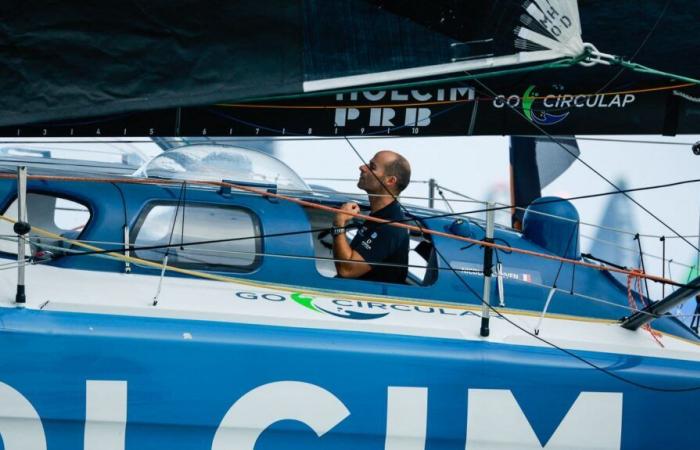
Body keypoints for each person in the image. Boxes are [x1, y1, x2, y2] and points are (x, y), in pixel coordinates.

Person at [332, 150, 411, 283]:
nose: (362, 167)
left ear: (390, 180)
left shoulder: (391, 225)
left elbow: (347, 270)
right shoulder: (379, 214)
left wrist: (339, 224)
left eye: (372, 167)